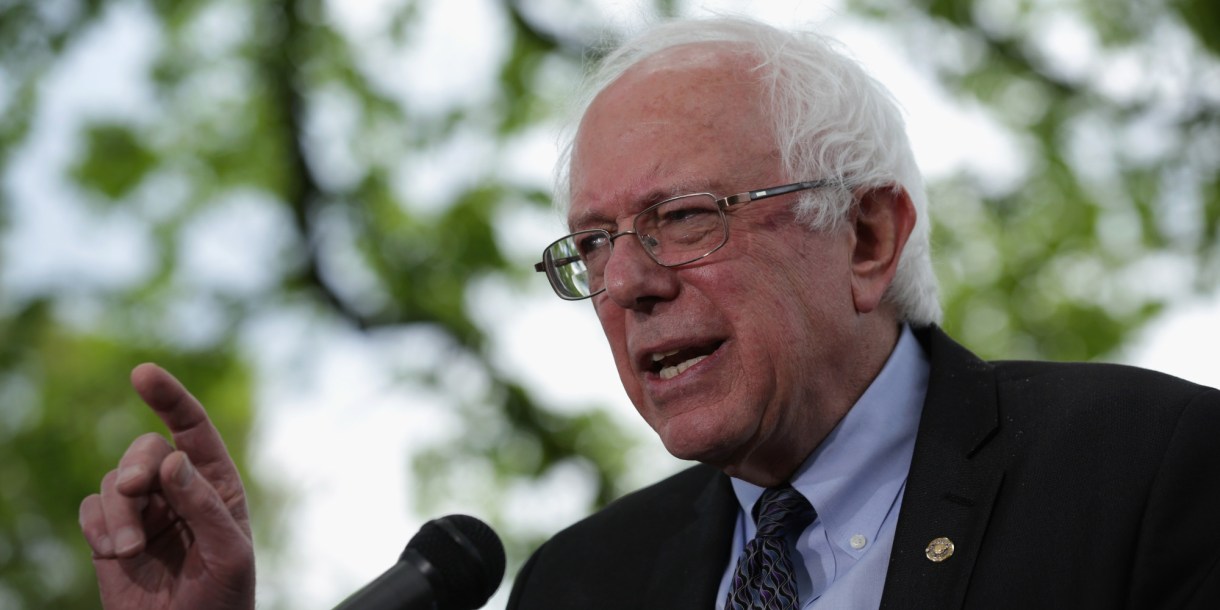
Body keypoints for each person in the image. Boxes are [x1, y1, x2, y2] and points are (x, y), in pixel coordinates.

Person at [80, 16, 1220, 610]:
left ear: (866, 237)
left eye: (680, 216)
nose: (625, 281)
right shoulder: (579, 584)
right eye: (589, 244)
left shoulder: (1151, 470)